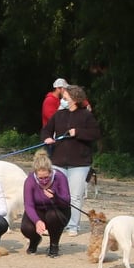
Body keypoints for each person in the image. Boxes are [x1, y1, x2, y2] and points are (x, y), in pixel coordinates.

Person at [39, 85, 100, 236]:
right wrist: (47, 138)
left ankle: (73, 225)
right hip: (58, 161)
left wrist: (78, 132)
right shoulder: (59, 115)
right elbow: (46, 129)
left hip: (79, 163)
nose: (63, 100)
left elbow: (95, 134)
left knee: (75, 195)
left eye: (65, 97)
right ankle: (54, 223)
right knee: (53, 193)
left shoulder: (86, 116)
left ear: (74, 99)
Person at [22, 150, 71, 256]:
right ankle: (34, 241)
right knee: (26, 228)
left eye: (46, 177)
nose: (44, 180)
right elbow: (28, 205)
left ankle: (54, 245)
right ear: (35, 174)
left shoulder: (60, 177)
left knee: (52, 216)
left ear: (51, 172)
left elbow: (67, 202)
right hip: (38, 209)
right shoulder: (30, 181)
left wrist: (55, 197)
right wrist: (37, 221)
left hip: (58, 210)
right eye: (40, 178)